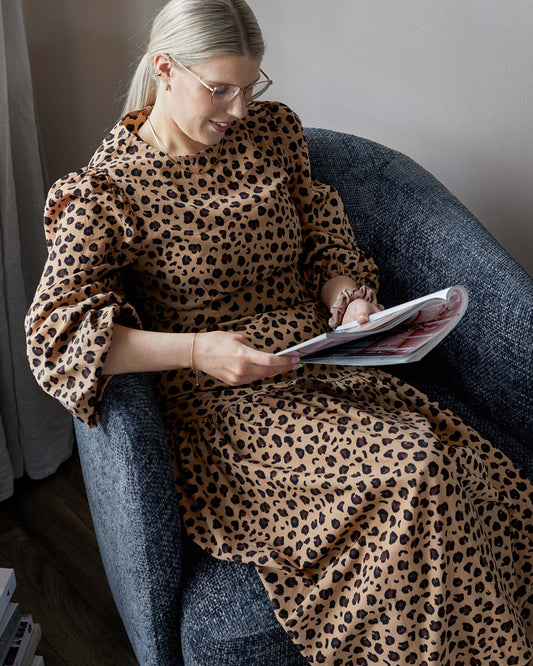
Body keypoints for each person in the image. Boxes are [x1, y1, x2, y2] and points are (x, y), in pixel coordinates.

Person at [25, 0, 533, 663]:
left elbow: (326, 239)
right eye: (220, 89)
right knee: (417, 464)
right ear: (164, 70)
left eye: (250, 86)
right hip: (230, 409)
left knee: (457, 466)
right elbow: (54, 339)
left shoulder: (271, 136)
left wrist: (346, 299)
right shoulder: (107, 193)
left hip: (321, 365)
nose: (238, 109)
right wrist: (199, 351)